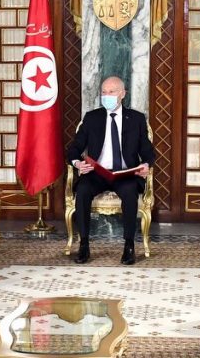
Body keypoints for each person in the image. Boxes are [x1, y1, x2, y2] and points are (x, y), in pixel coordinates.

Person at [64, 75, 156, 265]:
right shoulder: (92, 118)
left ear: (122, 94)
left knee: (130, 193)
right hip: (97, 173)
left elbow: (147, 151)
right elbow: (74, 148)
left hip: (124, 173)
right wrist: (77, 163)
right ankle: (84, 245)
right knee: (82, 191)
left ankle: (129, 245)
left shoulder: (136, 119)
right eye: (104, 92)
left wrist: (146, 165)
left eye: (112, 92)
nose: (107, 96)